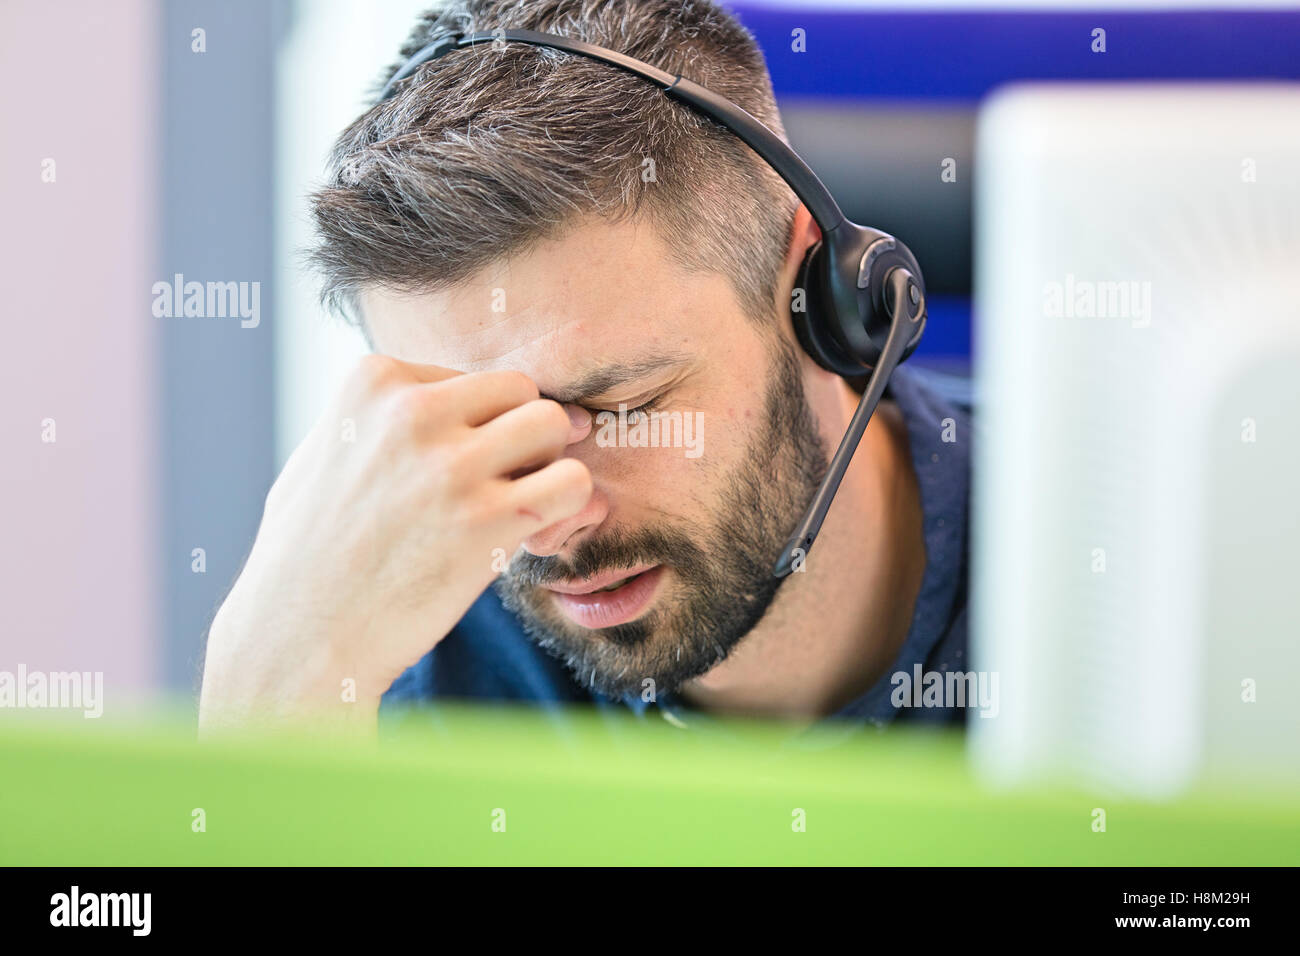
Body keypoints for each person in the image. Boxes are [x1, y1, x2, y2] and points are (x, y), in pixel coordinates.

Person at [198, 0, 972, 738]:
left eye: (624, 405)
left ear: (818, 302)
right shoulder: (390, 672)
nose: (550, 523)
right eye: (481, 432)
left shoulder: (1077, 578)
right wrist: (274, 679)